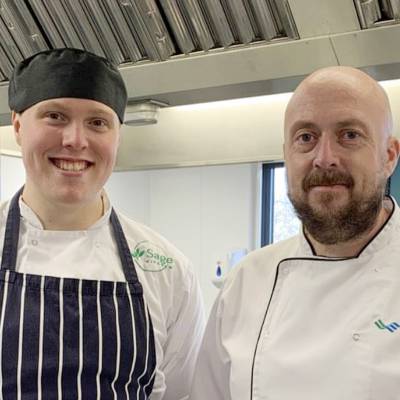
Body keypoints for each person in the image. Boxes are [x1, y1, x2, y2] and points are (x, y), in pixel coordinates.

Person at [0, 47, 205, 399]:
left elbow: (183, 394)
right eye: (55, 116)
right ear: (18, 126)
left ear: (118, 136)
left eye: (97, 122)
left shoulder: (168, 272)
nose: (76, 140)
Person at [190, 66, 400, 400]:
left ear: (388, 156)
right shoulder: (245, 283)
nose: (325, 158)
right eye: (306, 137)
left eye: (349, 135)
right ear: (287, 154)